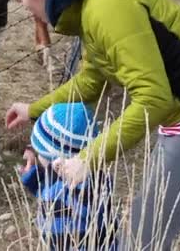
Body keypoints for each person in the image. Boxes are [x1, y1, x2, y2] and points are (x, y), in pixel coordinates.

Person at [2, 0, 180, 250]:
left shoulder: (105, 7)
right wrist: (34, 109)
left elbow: (153, 97)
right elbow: (91, 81)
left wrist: (89, 158)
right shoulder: (92, 7)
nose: (24, 7)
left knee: (146, 236)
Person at [18, 102, 117, 250]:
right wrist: (32, 175)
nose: (38, 155)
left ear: (56, 158)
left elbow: (57, 196)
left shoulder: (84, 185)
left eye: (40, 151)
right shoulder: (60, 176)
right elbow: (46, 191)